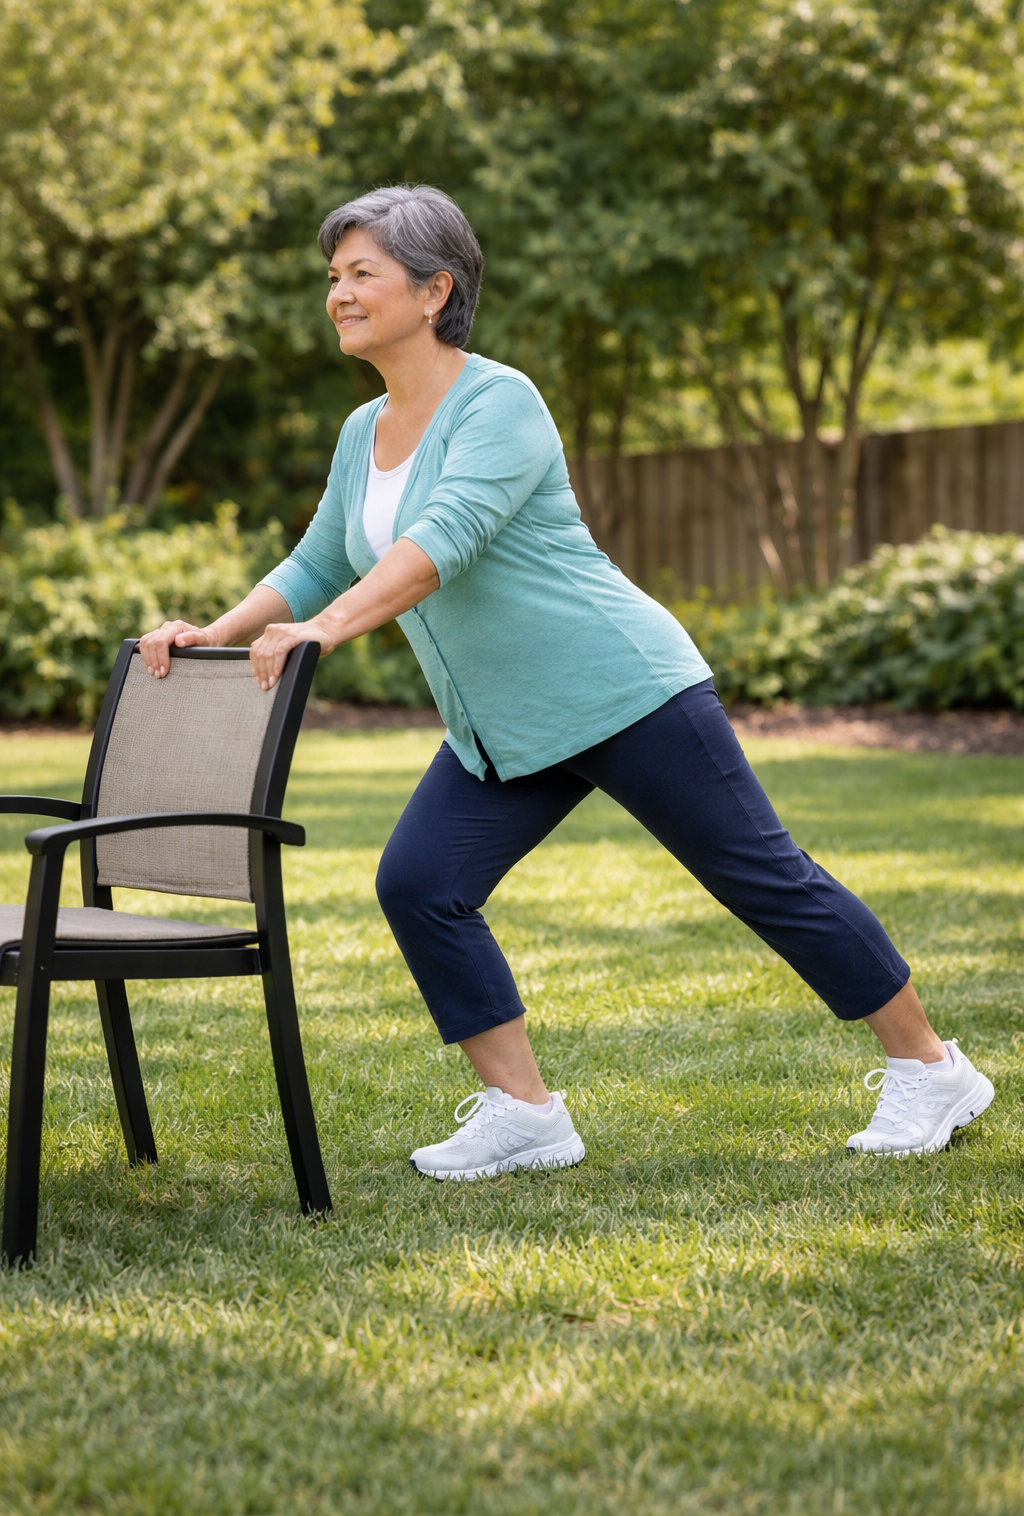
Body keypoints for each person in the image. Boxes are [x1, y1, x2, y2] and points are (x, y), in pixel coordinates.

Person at [140, 184, 994, 1179]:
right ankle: (525, 1112)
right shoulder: (362, 429)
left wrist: (322, 633)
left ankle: (930, 1068)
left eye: (361, 273)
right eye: (333, 276)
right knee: (421, 884)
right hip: (504, 724)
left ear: (433, 289)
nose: (338, 293)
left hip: (623, 689)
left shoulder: (500, 402)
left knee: (762, 878)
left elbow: (439, 542)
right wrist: (225, 626)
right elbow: (322, 555)